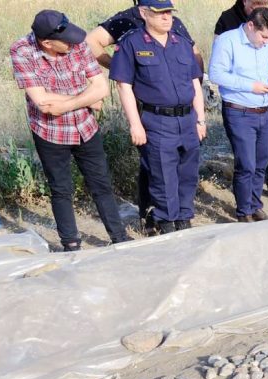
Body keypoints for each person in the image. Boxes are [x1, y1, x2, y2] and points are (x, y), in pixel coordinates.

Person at [11, 10, 131, 251]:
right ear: (46, 42)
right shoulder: (22, 51)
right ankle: (71, 243)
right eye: (65, 41)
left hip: (85, 127)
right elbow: (42, 102)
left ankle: (119, 237)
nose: (72, 44)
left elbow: (101, 90)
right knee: (61, 188)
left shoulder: (76, 43)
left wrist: (67, 104)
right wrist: (86, 99)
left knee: (101, 184)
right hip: (49, 131)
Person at [86, 0, 201, 236]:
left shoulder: (180, 42)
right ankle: (167, 224)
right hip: (157, 119)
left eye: (169, 13)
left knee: (187, 173)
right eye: (160, 13)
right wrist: (135, 124)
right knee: (162, 175)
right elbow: (123, 86)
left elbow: (194, 81)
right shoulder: (132, 42)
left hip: (187, 119)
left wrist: (201, 119)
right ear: (143, 13)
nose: (166, 18)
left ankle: (184, 219)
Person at [210, 8, 268, 223]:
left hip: (263, 110)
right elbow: (216, 74)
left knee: (262, 161)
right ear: (251, 26)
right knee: (246, 164)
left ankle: (255, 205)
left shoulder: (265, 45)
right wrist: (250, 86)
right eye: (263, 36)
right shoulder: (227, 41)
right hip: (239, 111)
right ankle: (244, 212)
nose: (265, 42)